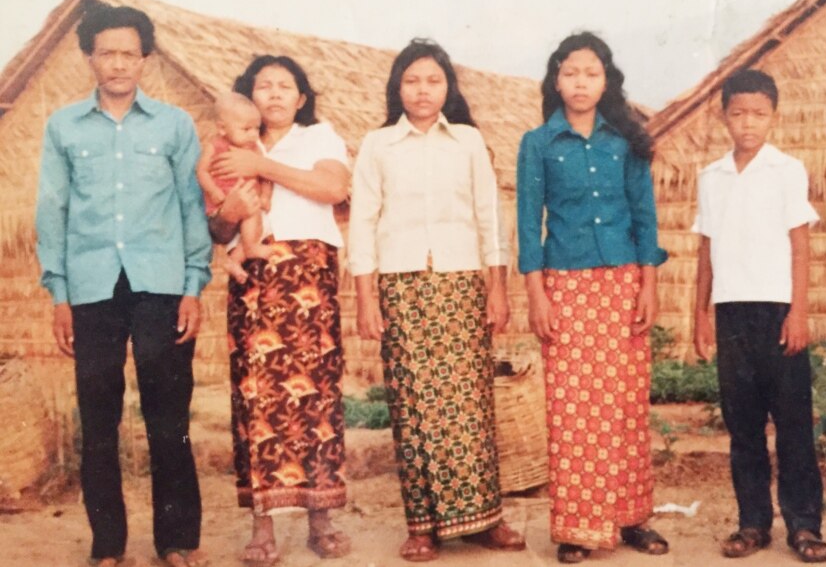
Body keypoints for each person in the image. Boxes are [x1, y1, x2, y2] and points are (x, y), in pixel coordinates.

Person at [34, 4, 211, 567]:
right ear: (90, 57)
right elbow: (52, 212)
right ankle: (108, 546)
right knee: (100, 421)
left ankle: (177, 541)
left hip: (161, 286)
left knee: (168, 420)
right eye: (106, 52)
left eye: (129, 53)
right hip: (91, 291)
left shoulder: (174, 125)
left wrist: (193, 287)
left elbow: (191, 211)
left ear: (145, 59)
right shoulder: (62, 126)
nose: (117, 63)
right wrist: (60, 295)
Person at [349, 38, 525, 563]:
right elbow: (363, 223)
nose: (422, 91)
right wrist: (366, 299)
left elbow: (490, 218)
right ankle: (422, 525)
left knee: (469, 404)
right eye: (412, 81)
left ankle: (484, 519)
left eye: (433, 81)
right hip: (401, 288)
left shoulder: (467, 141)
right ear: (397, 88)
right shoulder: (377, 145)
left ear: (447, 88)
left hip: (462, 282)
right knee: (414, 406)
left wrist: (497, 287)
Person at [517, 32, 669, 564]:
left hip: (623, 282)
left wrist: (649, 284)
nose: (581, 83)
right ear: (556, 78)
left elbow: (645, 217)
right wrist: (537, 296)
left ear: (606, 81)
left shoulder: (625, 141)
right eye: (571, 72)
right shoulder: (537, 143)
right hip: (565, 285)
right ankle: (576, 528)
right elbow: (527, 223)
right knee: (572, 408)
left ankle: (631, 518)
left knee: (625, 405)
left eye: (591, 73)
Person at [206, 55, 351, 567]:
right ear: (248, 97)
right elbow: (219, 228)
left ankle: (320, 520)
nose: (272, 94)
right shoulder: (231, 144)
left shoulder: (320, 138)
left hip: (307, 275)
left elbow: (333, 188)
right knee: (256, 403)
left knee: (316, 402)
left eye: (284, 86)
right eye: (262, 86)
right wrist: (230, 213)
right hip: (254, 279)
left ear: (301, 97)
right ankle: (262, 528)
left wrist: (262, 167)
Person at [691, 69, 826, 563]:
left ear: (774, 116)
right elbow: (706, 250)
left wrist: (799, 312)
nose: (748, 123)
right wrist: (700, 316)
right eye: (738, 113)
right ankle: (752, 523)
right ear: (724, 115)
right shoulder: (711, 176)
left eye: (758, 114)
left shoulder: (786, 170)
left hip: (777, 310)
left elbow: (800, 246)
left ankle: (805, 525)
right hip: (731, 311)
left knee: (793, 423)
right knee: (743, 426)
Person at [196, 92, 271, 283]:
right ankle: (251, 248)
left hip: (249, 198)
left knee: (255, 223)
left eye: (256, 128)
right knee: (251, 224)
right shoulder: (215, 146)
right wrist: (213, 191)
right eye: (246, 129)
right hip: (222, 201)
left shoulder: (255, 149)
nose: (253, 134)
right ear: (222, 128)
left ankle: (234, 260)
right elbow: (202, 172)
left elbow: (266, 176)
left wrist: (265, 197)